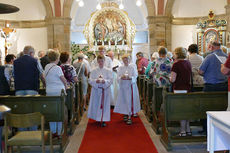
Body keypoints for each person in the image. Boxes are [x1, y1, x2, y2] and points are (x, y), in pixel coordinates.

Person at [44, 50, 68, 137]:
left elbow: (44, 78)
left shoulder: (46, 66)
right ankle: (59, 132)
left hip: (49, 91)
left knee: (52, 112)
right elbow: (63, 79)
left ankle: (53, 131)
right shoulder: (57, 68)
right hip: (58, 92)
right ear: (57, 58)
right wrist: (66, 85)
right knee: (59, 111)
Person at [170, 47, 192, 137]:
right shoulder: (188, 63)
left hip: (179, 89)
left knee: (181, 111)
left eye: (174, 53)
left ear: (177, 54)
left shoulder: (176, 65)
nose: (173, 54)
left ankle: (182, 131)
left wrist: (169, 77)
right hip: (187, 88)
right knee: (186, 110)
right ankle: (188, 130)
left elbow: (173, 79)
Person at [114, 54, 141, 125]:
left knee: (129, 101)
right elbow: (117, 78)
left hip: (130, 87)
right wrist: (121, 77)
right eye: (124, 60)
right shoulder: (120, 68)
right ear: (122, 60)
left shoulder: (132, 67)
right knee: (124, 101)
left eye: (127, 60)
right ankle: (125, 113)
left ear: (129, 60)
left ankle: (129, 116)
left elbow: (135, 76)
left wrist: (130, 78)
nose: (126, 61)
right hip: (123, 87)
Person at [88, 55, 113, 127]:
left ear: (104, 61)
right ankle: (97, 118)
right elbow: (90, 80)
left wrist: (104, 81)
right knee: (96, 104)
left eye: (102, 61)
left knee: (104, 105)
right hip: (96, 90)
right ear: (97, 61)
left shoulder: (108, 70)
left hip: (105, 90)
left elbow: (111, 80)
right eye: (99, 61)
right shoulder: (94, 70)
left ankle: (103, 119)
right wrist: (96, 81)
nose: (100, 62)